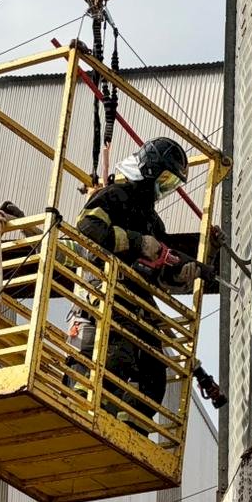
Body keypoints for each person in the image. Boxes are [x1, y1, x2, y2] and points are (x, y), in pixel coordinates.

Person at [71, 137, 206, 430]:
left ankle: (129, 431)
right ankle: (91, 414)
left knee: (154, 379)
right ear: (149, 169)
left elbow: (158, 267)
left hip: (138, 305)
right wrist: (135, 242)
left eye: (172, 184)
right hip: (106, 292)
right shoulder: (113, 196)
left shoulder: (154, 223)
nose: (165, 189)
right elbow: (87, 230)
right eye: (165, 179)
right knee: (115, 359)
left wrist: (180, 273)